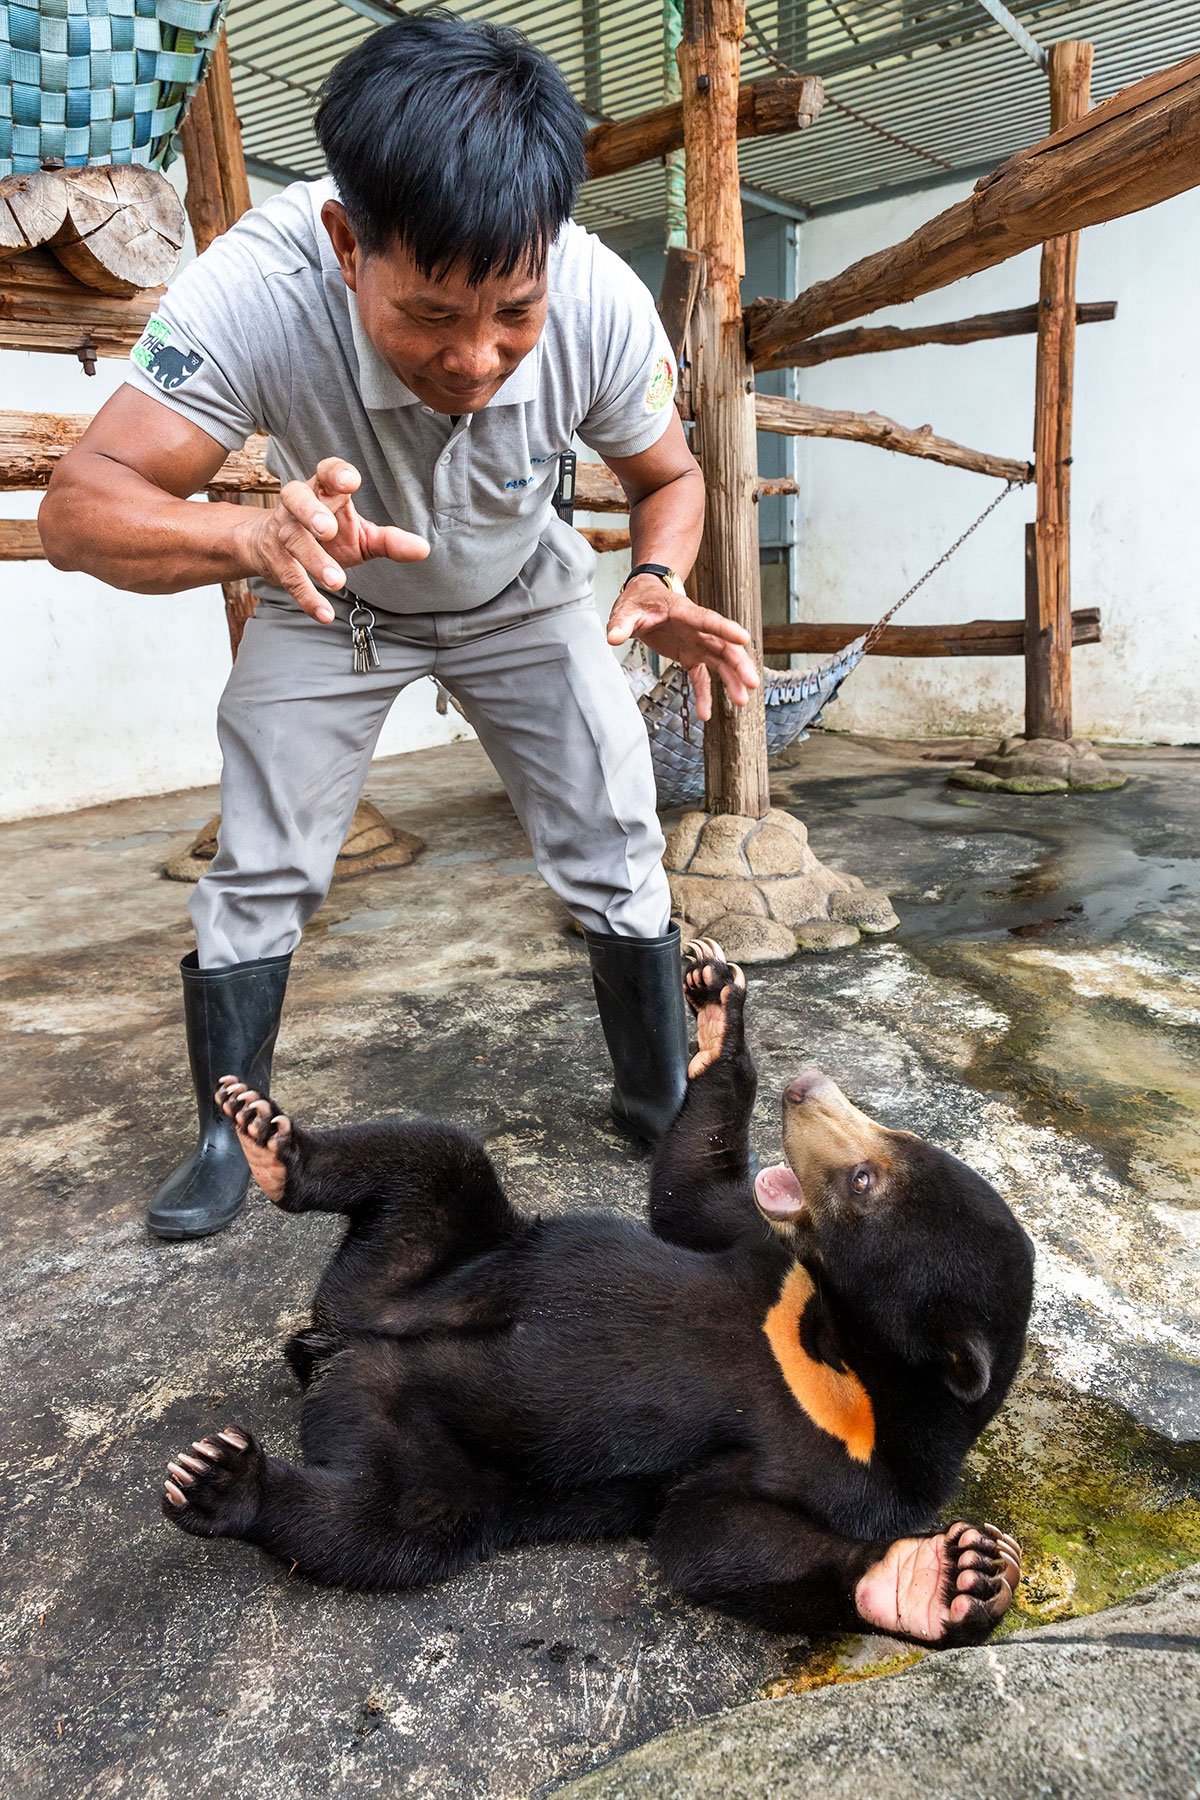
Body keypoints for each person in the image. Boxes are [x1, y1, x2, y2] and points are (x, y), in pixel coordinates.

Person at [40, 11, 759, 1242]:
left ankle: (655, 1095)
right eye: (431, 315)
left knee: (615, 829)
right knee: (260, 862)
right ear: (344, 242)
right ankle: (228, 1131)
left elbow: (670, 480)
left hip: (523, 596)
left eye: (510, 316)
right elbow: (79, 506)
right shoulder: (253, 289)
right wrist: (251, 538)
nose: (475, 358)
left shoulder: (594, 297)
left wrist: (654, 574)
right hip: (332, 598)